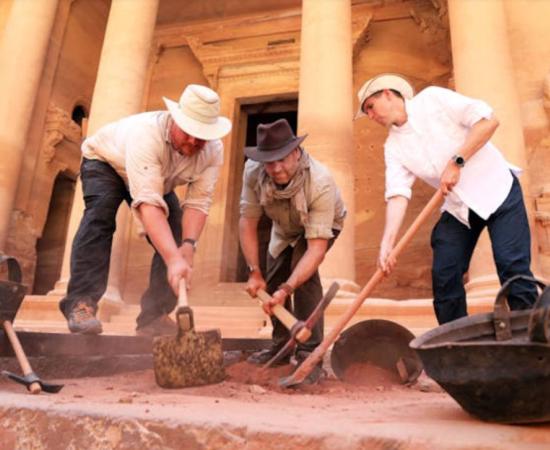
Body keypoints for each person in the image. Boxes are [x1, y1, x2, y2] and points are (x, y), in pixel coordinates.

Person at [355, 73, 537, 324]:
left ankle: (534, 340)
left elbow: (488, 121)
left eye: (370, 107)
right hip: (459, 208)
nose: (371, 116)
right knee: (445, 273)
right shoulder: (393, 147)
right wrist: (388, 242)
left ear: (388, 94)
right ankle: (454, 348)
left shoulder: (433, 99)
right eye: (367, 112)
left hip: (498, 191)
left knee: (512, 267)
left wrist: (457, 161)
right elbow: (398, 193)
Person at [59, 84, 231, 336]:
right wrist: (173, 260)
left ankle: (154, 317)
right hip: (107, 162)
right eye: (188, 132)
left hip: (156, 178)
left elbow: (198, 203)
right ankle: (81, 304)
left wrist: (187, 246)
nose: (194, 141)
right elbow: (148, 203)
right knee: (100, 217)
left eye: (201, 135)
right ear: (175, 119)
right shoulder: (146, 133)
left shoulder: (213, 151)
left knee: (173, 235)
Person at [239, 118, 346, 383]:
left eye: (282, 159)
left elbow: (315, 249)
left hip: (321, 227)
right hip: (283, 227)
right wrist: (254, 272)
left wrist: (288, 289)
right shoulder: (253, 172)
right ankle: (281, 346)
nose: (275, 168)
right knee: (272, 279)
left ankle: (311, 354)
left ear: (296, 153)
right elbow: (248, 222)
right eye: (269, 161)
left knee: (303, 279)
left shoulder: (320, 181)